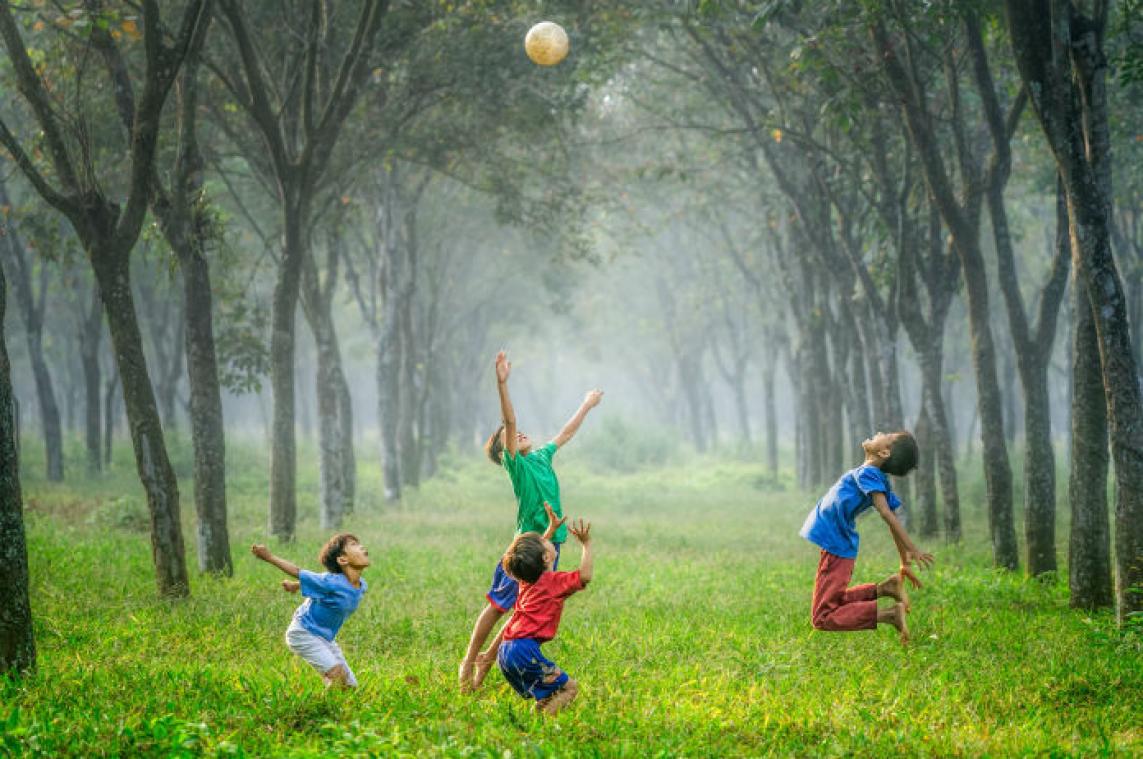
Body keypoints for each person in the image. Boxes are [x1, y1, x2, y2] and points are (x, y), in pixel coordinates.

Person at [458, 350, 602, 692]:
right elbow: (509, 421)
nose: (519, 433)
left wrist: (586, 405)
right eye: (509, 437)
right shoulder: (517, 466)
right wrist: (502, 383)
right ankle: (469, 663)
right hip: (526, 547)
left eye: (520, 432)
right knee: (497, 606)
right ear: (503, 451)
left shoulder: (540, 456)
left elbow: (565, 433)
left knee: (526, 608)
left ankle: (486, 667)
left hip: (551, 544)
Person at [799, 431, 933, 645]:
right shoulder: (874, 476)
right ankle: (885, 588)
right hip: (837, 544)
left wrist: (912, 548)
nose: (879, 433)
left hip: (836, 545)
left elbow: (888, 514)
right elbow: (892, 517)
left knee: (822, 617)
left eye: (886, 435)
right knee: (833, 601)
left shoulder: (869, 474)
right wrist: (904, 561)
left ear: (884, 451)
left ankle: (889, 615)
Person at [497, 515, 593, 715]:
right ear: (547, 557)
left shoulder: (527, 579)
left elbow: (533, 555)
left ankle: (534, 721)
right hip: (523, 651)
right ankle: (542, 728)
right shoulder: (553, 583)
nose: (548, 540)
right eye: (545, 541)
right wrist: (586, 544)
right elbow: (584, 576)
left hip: (505, 650)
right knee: (569, 688)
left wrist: (550, 529)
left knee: (550, 693)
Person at [251, 534, 370, 688]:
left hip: (325, 638)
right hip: (303, 632)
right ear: (342, 560)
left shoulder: (361, 585)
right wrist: (269, 557)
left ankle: (335, 705)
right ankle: (321, 708)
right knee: (337, 675)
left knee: (350, 686)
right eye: (354, 545)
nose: (361, 547)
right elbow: (298, 571)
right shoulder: (331, 582)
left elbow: (318, 583)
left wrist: (296, 585)